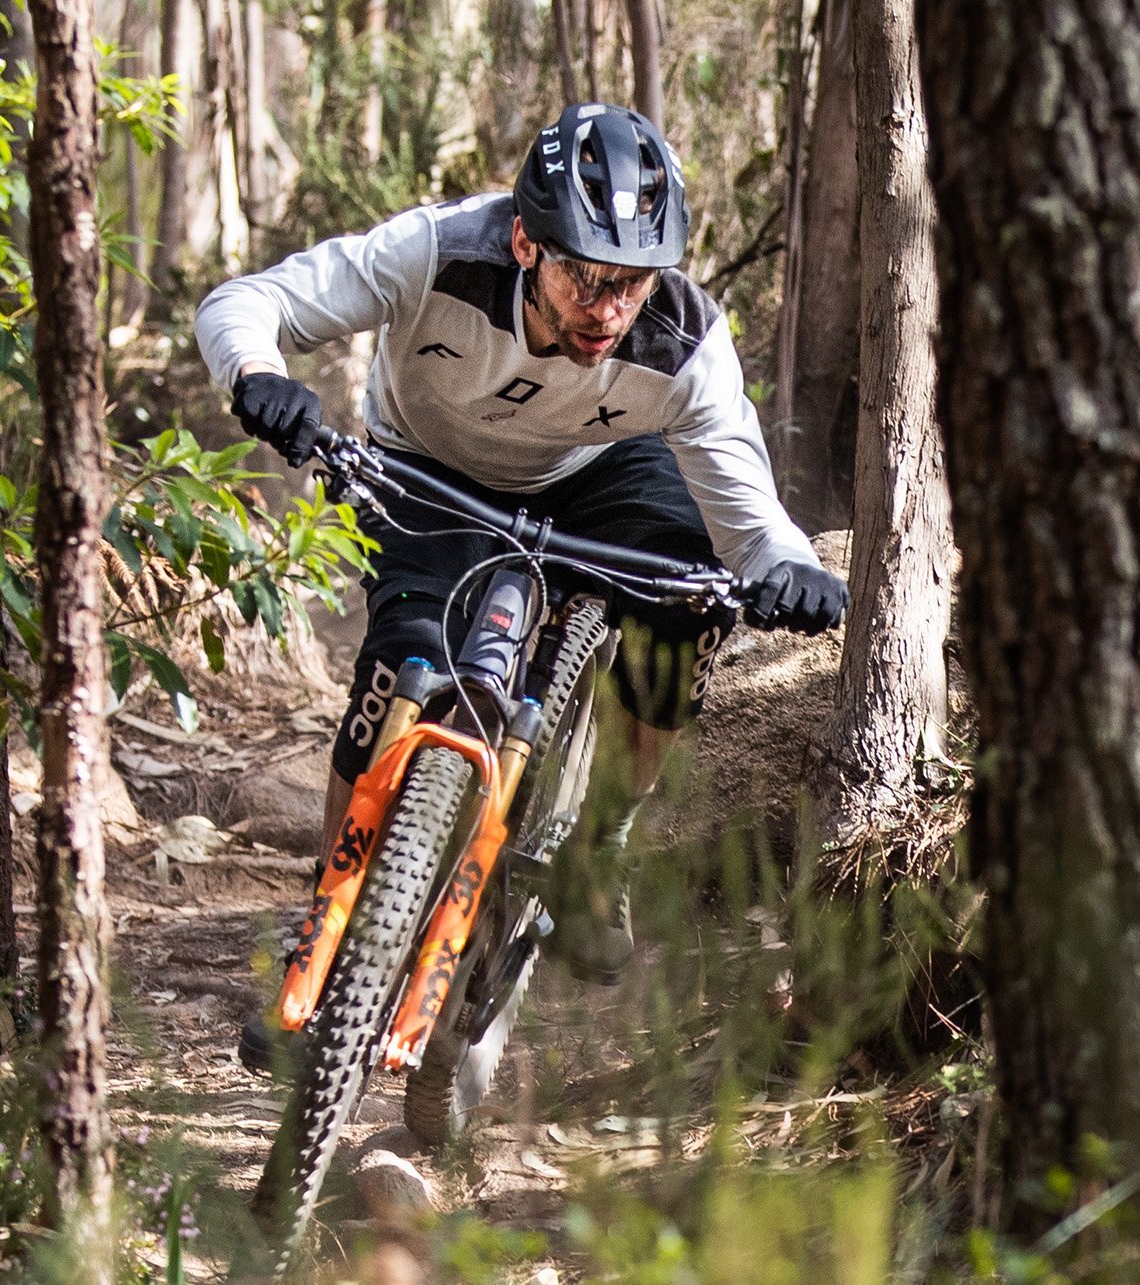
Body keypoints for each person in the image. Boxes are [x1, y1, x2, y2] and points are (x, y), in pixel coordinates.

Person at [196, 103, 847, 1046]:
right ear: (524, 242)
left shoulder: (682, 342)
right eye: (586, 275)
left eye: (633, 282)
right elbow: (246, 302)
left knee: (687, 602)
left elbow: (750, 515)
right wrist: (258, 372)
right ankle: (329, 933)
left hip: (601, 468)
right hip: (426, 465)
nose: (609, 308)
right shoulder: (437, 251)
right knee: (401, 670)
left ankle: (601, 841)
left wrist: (787, 567)